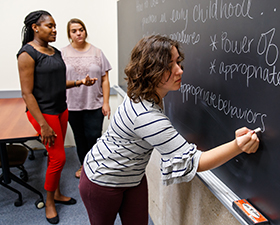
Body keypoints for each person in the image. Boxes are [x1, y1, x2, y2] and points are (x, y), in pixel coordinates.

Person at [78, 35, 260, 225]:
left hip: (134, 176)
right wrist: (238, 146)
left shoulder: (144, 93)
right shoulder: (146, 116)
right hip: (102, 179)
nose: (179, 70)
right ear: (151, 69)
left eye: (178, 62)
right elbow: (196, 162)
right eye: (168, 66)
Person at [17, 10, 96, 224]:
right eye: (49, 26)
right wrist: (42, 124)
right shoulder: (27, 54)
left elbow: (57, 84)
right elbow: (27, 93)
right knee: (59, 158)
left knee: (56, 158)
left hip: (61, 109)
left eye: (54, 26)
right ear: (35, 27)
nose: (54, 30)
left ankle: (58, 193)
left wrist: (79, 82)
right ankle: (50, 202)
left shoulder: (54, 52)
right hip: (43, 114)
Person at [61, 18, 112, 179]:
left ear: (85, 31)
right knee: (80, 137)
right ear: (69, 34)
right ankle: (84, 165)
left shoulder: (97, 52)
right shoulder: (62, 53)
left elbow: (105, 79)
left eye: (81, 29)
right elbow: (58, 80)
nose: (78, 33)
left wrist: (106, 102)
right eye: (74, 31)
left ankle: (96, 165)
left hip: (95, 104)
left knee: (94, 136)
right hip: (72, 105)